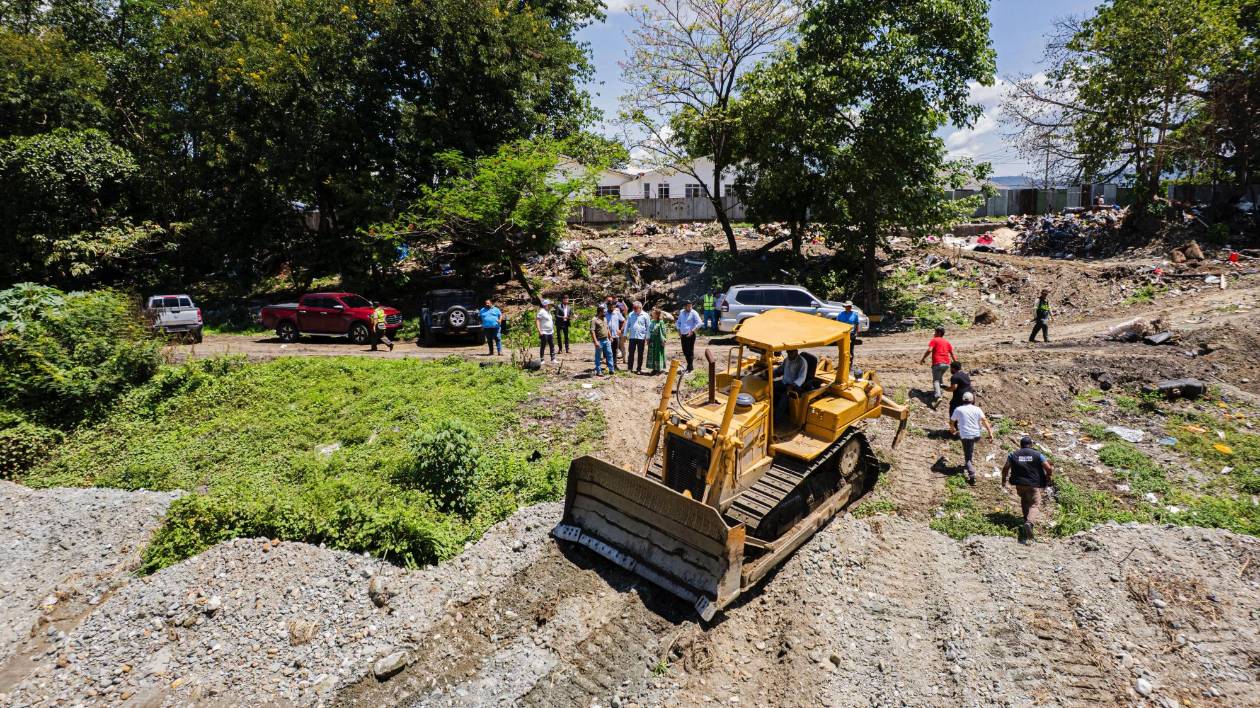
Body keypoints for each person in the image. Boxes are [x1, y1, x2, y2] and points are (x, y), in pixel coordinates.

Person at [1003, 436, 1055, 544]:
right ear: (1031, 444)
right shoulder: (1037, 454)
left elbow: (1006, 467)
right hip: (1032, 484)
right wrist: (1048, 476)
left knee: (1024, 500)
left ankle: (1025, 522)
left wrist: (1004, 479)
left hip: (1019, 484)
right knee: (1035, 503)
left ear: (1021, 445)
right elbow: (1048, 467)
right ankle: (1029, 522)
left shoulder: (1013, 454)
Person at [948, 391, 995, 485]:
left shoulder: (958, 409)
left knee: (967, 457)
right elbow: (984, 420)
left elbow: (952, 421)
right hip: (976, 435)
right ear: (972, 400)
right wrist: (990, 433)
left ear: (963, 400)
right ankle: (969, 460)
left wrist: (952, 429)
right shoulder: (977, 409)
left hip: (965, 435)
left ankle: (971, 473)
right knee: (970, 446)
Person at [918, 326, 956, 403]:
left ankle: (938, 396)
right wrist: (956, 363)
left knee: (936, 380)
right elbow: (952, 354)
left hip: (937, 363)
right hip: (946, 364)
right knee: (939, 378)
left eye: (935, 332)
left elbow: (929, 350)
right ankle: (941, 391)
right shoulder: (947, 342)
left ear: (939, 333)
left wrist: (923, 359)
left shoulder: (934, 340)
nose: (934, 334)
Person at [773, 349, 809, 423]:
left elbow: (802, 378)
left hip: (795, 386)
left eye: (791, 352)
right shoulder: (787, 359)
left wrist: (793, 385)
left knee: (784, 398)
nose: (789, 354)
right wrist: (771, 372)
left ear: (796, 351)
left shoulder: (802, 362)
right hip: (784, 382)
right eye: (788, 352)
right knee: (770, 387)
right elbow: (781, 369)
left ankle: (776, 420)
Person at [676, 300, 702, 371]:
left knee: (690, 351)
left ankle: (690, 367)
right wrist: (679, 331)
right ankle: (689, 365)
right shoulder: (681, 312)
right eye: (688, 306)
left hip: (690, 334)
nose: (690, 307)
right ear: (685, 306)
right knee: (684, 350)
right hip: (682, 335)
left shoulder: (694, 313)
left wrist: (692, 331)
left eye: (691, 306)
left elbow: (699, 323)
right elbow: (678, 322)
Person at [624, 301, 649, 373]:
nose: (634, 309)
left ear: (640, 308)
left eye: (635, 308)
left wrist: (647, 337)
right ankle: (629, 368)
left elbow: (648, 326)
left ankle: (639, 369)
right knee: (631, 353)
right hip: (632, 337)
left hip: (641, 337)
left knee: (640, 354)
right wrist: (625, 335)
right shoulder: (631, 314)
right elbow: (627, 325)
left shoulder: (645, 315)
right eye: (633, 308)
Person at [591, 305, 614, 376]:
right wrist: (595, 341)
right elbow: (592, 331)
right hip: (599, 341)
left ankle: (611, 369)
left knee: (609, 354)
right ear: (600, 312)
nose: (605, 313)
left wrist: (610, 337)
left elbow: (607, 328)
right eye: (604, 312)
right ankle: (598, 370)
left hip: (606, 340)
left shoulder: (605, 319)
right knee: (598, 356)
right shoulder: (594, 320)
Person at [647, 307, 669, 374]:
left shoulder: (661, 322)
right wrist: (648, 338)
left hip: (659, 341)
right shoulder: (652, 321)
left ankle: (659, 369)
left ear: (657, 314)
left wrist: (663, 340)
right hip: (652, 340)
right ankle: (654, 369)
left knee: (658, 354)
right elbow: (649, 330)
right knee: (653, 354)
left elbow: (663, 332)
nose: (652, 314)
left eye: (654, 313)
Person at [605, 301, 626, 367]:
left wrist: (620, 330)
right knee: (607, 351)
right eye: (610, 306)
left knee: (615, 351)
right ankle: (608, 365)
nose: (612, 308)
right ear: (607, 306)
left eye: (613, 306)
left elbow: (623, 321)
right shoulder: (605, 314)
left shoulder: (617, 313)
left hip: (615, 335)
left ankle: (614, 365)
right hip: (607, 336)